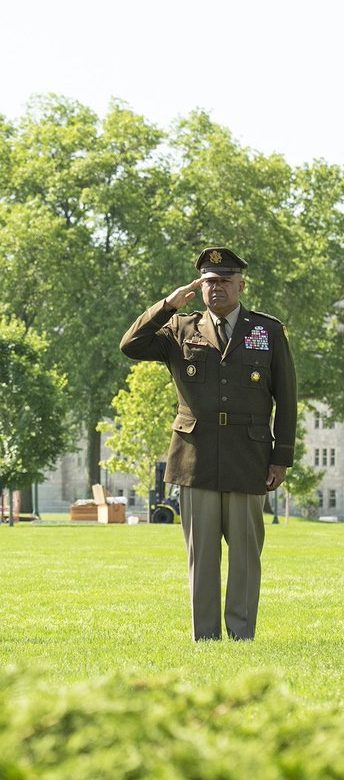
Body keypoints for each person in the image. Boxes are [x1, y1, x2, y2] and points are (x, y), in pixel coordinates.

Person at [121, 247, 296, 641]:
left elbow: (286, 399)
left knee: (246, 557)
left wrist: (280, 457)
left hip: (249, 456)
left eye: (224, 281)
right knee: (202, 557)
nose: (216, 288)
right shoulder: (180, 329)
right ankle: (206, 637)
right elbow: (131, 345)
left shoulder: (266, 331)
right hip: (194, 457)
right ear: (199, 287)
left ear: (240, 285)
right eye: (208, 282)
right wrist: (167, 305)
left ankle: (241, 635)